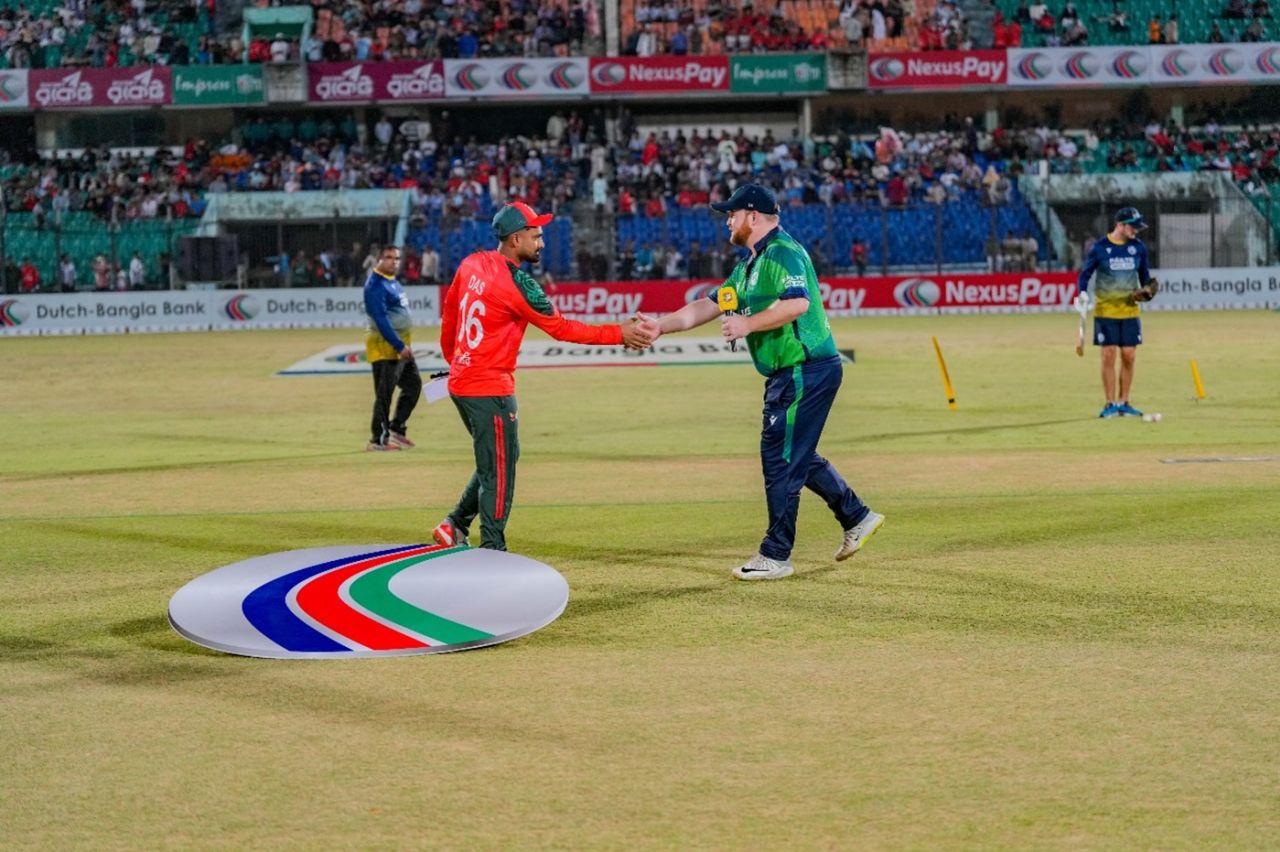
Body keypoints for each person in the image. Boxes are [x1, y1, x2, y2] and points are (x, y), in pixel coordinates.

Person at [635, 184, 884, 581]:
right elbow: (711, 304)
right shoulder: (750, 263)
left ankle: (776, 554)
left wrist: (747, 323)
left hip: (806, 369)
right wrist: (661, 325)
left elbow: (798, 303)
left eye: (731, 215)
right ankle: (857, 515)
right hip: (793, 372)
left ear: (752, 216)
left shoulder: (782, 252)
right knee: (795, 453)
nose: (727, 222)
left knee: (780, 456)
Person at [434, 201, 652, 551]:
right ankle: (492, 551)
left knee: (499, 458)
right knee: (499, 472)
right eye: (536, 236)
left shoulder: (471, 263)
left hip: (462, 383)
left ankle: (454, 524)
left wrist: (455, 358)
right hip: (490, 388)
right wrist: (618, 333)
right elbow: (563, 329)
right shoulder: (519, 285)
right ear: (515, 239)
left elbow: (449, 314)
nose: (542, 243)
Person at [1077, 207, 1153, 419]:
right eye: (1133, 227)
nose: (1136, 231)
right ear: (1121, 225)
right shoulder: (1100, 248)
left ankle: (1124, 402)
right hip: (1106, 310)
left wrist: (1148, 289)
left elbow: (1145, 276)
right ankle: (1109, 403)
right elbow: (1085, 274)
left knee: (1129, 356)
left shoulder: (1138, 247)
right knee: (1108, 355)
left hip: (1130, 312)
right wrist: (1082, 293)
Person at [362, 245, 422, 451]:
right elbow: (380, 319)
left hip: (401, 347)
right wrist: (397, 344)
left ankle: (397, 428)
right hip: (385, 348)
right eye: (388, 258)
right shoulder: (375, 285)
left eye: (397, 258)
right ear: (379, 259)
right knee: (384, 395)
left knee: (413, 385)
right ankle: (377, 440)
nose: (394, 262)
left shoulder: (392, 281)